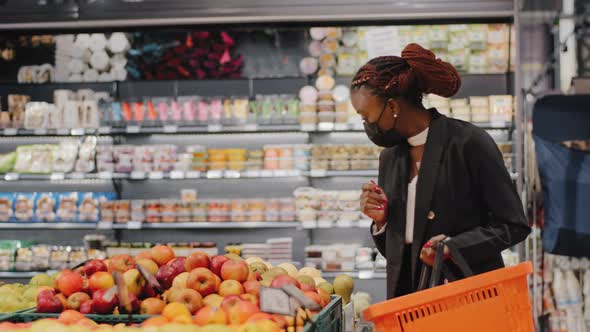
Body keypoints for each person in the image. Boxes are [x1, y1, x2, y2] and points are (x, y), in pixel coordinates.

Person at [352, 43, 531, 299]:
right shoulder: (390, 157)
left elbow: (513, 225)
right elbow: (398, 253)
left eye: (367, 116)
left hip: (468, 297)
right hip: (409, 297)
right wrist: (381, 223)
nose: (367, 125)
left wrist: (454, 248)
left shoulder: (469, 142)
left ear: (393, 107)